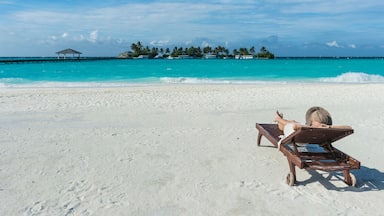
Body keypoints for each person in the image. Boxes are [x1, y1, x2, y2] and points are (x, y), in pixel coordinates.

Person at [275, 106, 351, 137]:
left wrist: (313, 127)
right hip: (303, 129)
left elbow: (295, 126)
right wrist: (328, 127)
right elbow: (349, 128)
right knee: (293, 121)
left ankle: (278, 119)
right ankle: (280, 119)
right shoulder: (325, 129)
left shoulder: (303, 128)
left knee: (288, 124)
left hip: (292, 133)